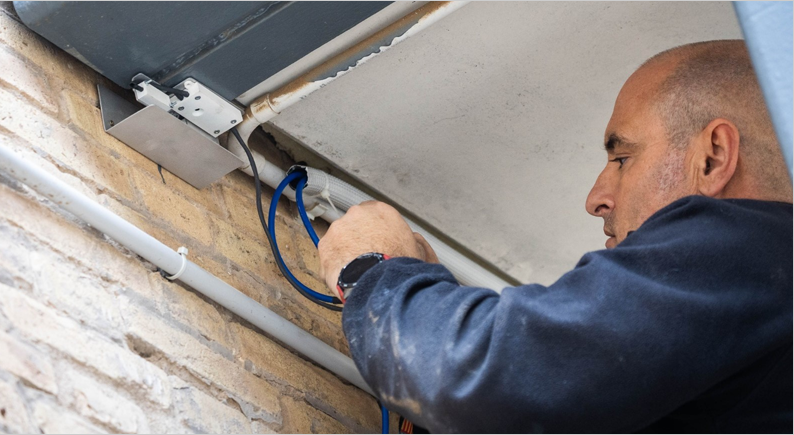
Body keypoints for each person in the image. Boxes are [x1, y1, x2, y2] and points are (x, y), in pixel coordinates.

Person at [317, 40, 793, 433]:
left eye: (622, 159)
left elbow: (484, 379)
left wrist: (375, 271)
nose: (596, 198)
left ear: (712, 157)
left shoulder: (759, 252)